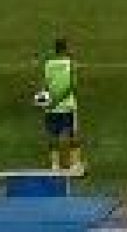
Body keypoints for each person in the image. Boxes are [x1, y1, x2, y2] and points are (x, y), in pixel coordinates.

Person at [40, 38, 83, 173]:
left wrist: (46, 101)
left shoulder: (48, 64)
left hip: (51, 108)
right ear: (65, 49)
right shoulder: (70, 63)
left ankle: (55, 165)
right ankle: (75, 164)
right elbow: (72, 86)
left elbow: (46, 86)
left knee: (52, 135)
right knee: (73, 135)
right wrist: (59, 99)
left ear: (55, 50)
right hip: (68, 106)